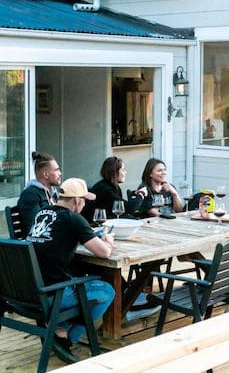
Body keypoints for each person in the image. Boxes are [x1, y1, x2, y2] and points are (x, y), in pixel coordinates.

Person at [26, 178, 117, 362]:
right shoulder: (73, 219)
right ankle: (68, 336)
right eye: (84, 200)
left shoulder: (42, 213)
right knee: (107, 291)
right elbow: (105, 253)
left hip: (27, 292)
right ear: (76, 200)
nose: (84, 205)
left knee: (80, 275)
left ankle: (61, 327)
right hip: (52, 294)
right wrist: (108, 241)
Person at [83, 156, 142, 222]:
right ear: (114, 172)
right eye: (123, 170)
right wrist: (141, 195)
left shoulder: (114, 187)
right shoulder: (104, 188)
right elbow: (129, 208)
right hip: (97, 225)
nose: (125, 173)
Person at [16, 151, 61, 235]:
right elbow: (34, 227)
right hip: (38, 243)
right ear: (46, 175)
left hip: (53, 237)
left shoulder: (53, 193)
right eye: (56, 170)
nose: (60, 173)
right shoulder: (30, 195)